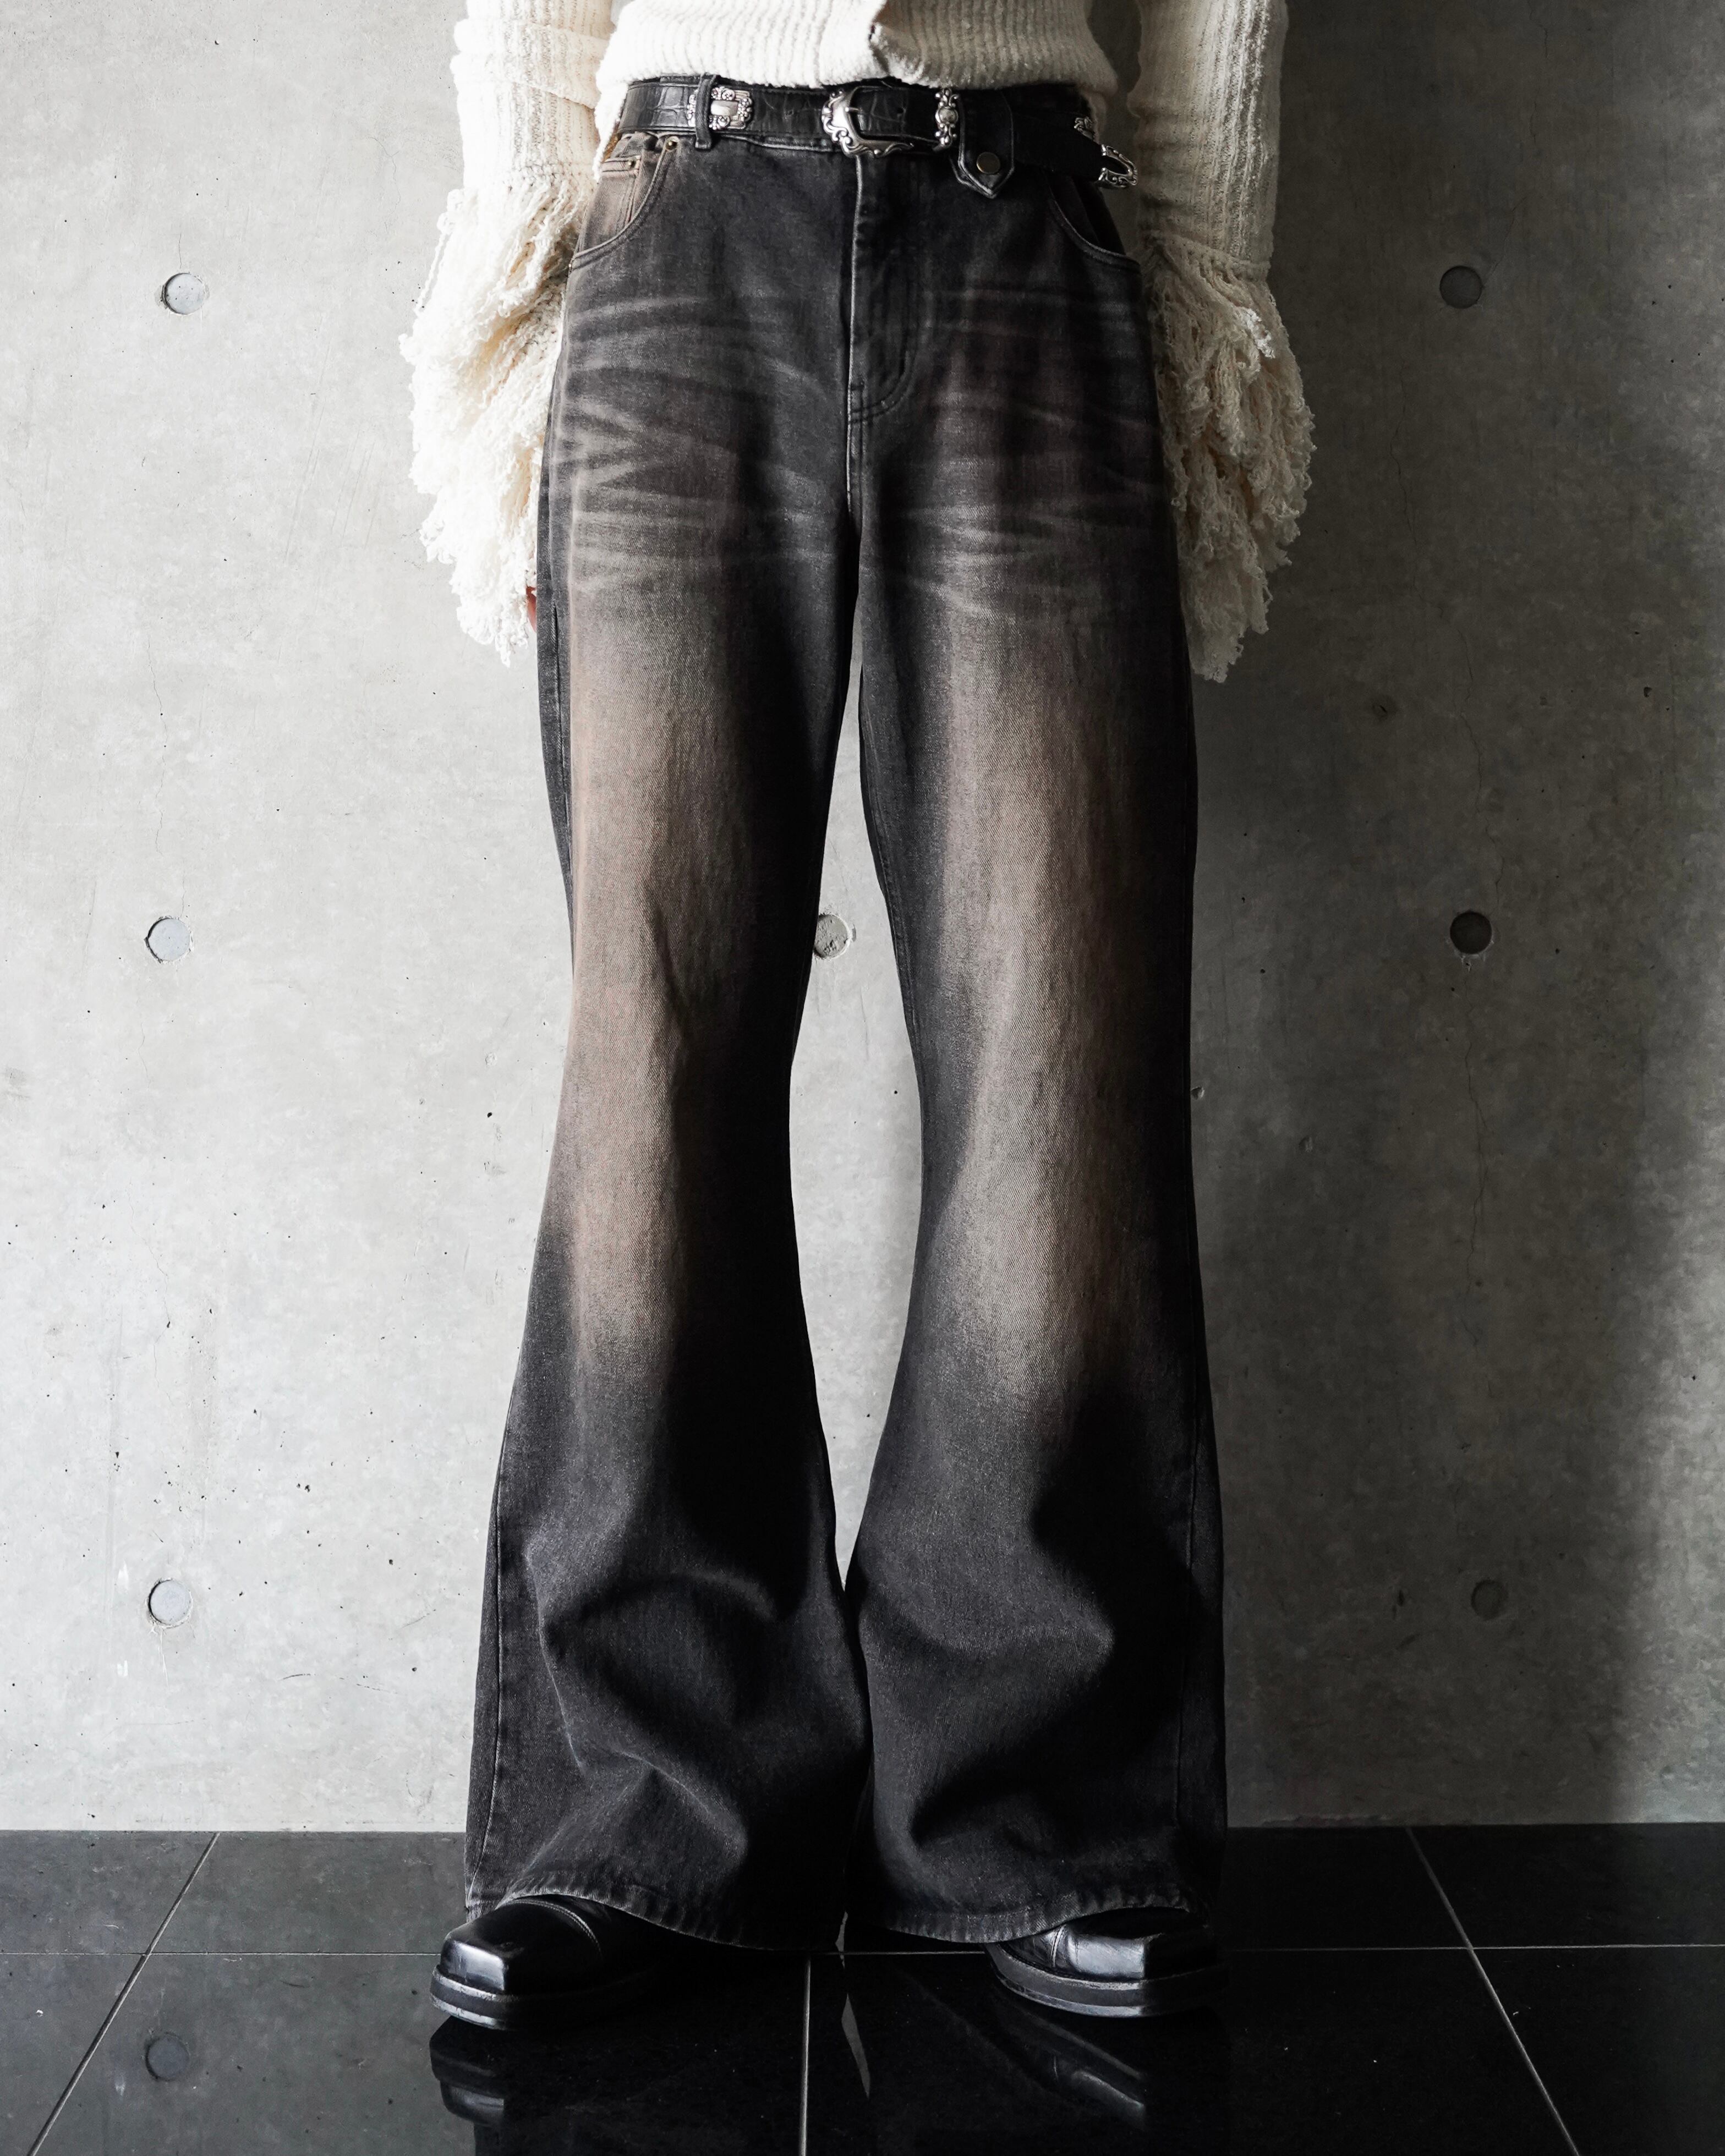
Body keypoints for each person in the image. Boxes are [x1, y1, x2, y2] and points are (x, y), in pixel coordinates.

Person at [402, 0, 1311, 2031]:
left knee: (1060, 1060)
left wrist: (1198, 324)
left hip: (1027, 233)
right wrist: (518, 340)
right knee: (653, 1066)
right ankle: (643, 1821)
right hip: (675, 237)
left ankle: (1037, 1816)